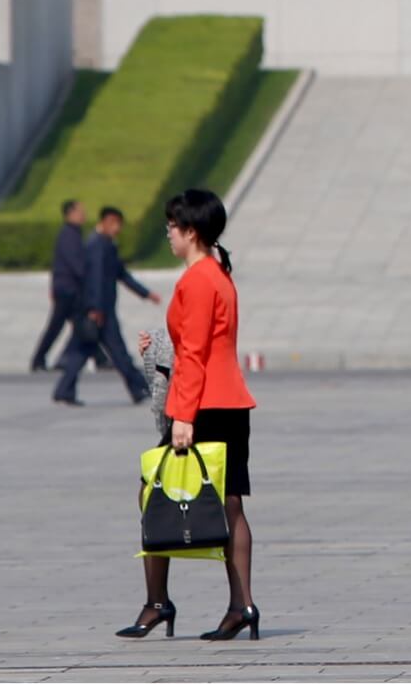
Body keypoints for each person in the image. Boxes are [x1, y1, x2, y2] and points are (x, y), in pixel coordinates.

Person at [116, 189, 260, 644]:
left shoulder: (196, 280)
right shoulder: (219, 274)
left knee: (152, 491)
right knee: (230, 504)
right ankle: (242, 605)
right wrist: (159, 343)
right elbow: (203, 344)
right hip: (230, 403)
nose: (168, 232)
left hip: (203, 406)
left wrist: (182, 416)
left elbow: (195, 353)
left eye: (173, 226)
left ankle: (158, 601)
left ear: (191, 231)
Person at [53, 207, 159, 407]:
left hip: (96, 308)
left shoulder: (105, 244)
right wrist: (95, 308)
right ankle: (140, 388)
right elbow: (94, 279)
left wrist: (146, 294)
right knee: (118, 352)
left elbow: (121, 274)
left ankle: (64, 390)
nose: (118, 229)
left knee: (81, 351)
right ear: (109, 221)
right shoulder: (98, 246)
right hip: (100, 310)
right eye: (117, 224)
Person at [30, 199, 88, 372]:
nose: (83, 214)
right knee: (56, 327)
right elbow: (75, 264)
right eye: (80, 211)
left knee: (82, 324)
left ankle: (98, 358)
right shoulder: (68, 235)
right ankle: (38, 359)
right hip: (67, 290)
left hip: (68, 289)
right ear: (70, 214)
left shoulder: (73, 233)